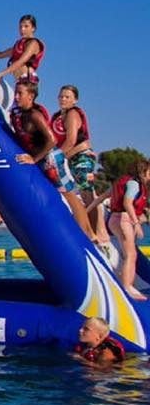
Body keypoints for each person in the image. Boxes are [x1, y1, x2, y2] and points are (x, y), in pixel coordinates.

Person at [10, 81, 95, 240]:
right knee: (62, 194)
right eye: (16, 93)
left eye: (20, 93)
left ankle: (89, 234)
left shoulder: (35, 115)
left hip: (50, 159)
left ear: (31, 96)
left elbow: (52, 140)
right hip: (41, 159)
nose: (16, 96)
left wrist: (34, 159)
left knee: (70, 195)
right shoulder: (17, 114)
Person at [50, 85, 108, 245]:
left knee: (86, 193)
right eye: (61, 96)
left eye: (67, 97)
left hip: (82, 157)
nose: (63, 99)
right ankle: (86, 229)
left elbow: (71, 141)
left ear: (75, 100)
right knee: (78, 194)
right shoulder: (57, 116)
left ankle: (95, 233)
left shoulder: (73, 114)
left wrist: (56, 157)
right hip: (69, 158)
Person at [107, 159, 149, 301]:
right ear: (142, 172)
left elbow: (102, 197)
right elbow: (127, 202)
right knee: (131, 255)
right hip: (123, 219)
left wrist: (88, 209)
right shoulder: (134, 184)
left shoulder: (124, 182)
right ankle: (127, 287)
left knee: (128, 253)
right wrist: (136, 223)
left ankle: (126, 284)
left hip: (114, 219)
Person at [0, 15, 45, 85]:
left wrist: (1, 74)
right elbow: (0, 55)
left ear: (33, 28)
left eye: (26, 26)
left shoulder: (34, 43)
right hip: (19, 81)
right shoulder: (19, 45)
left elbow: (21, 61)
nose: (22, 29)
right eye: (20, 27)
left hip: (28, 81)